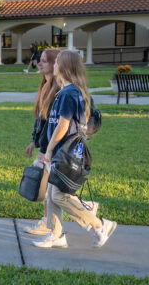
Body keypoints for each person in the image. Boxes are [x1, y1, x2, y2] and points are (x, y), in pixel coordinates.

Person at [32, 50, 117, 249]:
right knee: (53, 194)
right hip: (62, 152)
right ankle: (56, 234)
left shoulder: (70, 93)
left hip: (65, 152)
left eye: (57, 63)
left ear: (64, 67)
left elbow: (63, 125)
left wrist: (50, 149)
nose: (54, 66)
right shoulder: (67, 91)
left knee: (60, 195)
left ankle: (99, 225)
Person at [20, 49, 97, 237]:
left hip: (58, 149)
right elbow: (41, 120)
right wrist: (33, 141)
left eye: (46, 61)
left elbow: (58, 123)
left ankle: (92, 219)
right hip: (52, 147)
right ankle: (54, 230)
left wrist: (46, 149)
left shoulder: (62, 90)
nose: (41, 64)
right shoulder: (46, 85)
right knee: (52, 192)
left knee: (54, 192)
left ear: (59, 64)